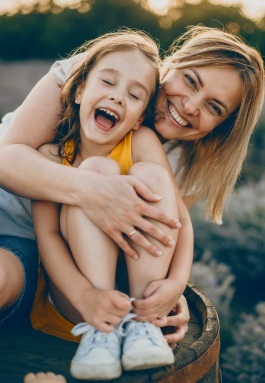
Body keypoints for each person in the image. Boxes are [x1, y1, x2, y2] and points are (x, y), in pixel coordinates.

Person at [0, 25, 263, 344]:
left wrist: (165, 292)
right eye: (191, 81)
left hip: (34, 255)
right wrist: (91, 188)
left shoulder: (182, 166)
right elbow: (6, 160)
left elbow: (160, 237)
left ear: (222, 127)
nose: (192, 106)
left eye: (214, 107)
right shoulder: (106, 72)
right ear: (174, 63)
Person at [30, 30, 193, 380]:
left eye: (134, 95)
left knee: (152, 175)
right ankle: (101, 334)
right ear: (79, 91)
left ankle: (142, 325)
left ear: (138, 118)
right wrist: (86, 297)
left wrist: (176, 284)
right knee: (97, 170)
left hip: (137, 294)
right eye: (108, 82)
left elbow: (179, 219)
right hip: (77, 298)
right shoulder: (50, 156)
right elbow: (48, 237)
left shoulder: (142, 140)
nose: (118, 97)